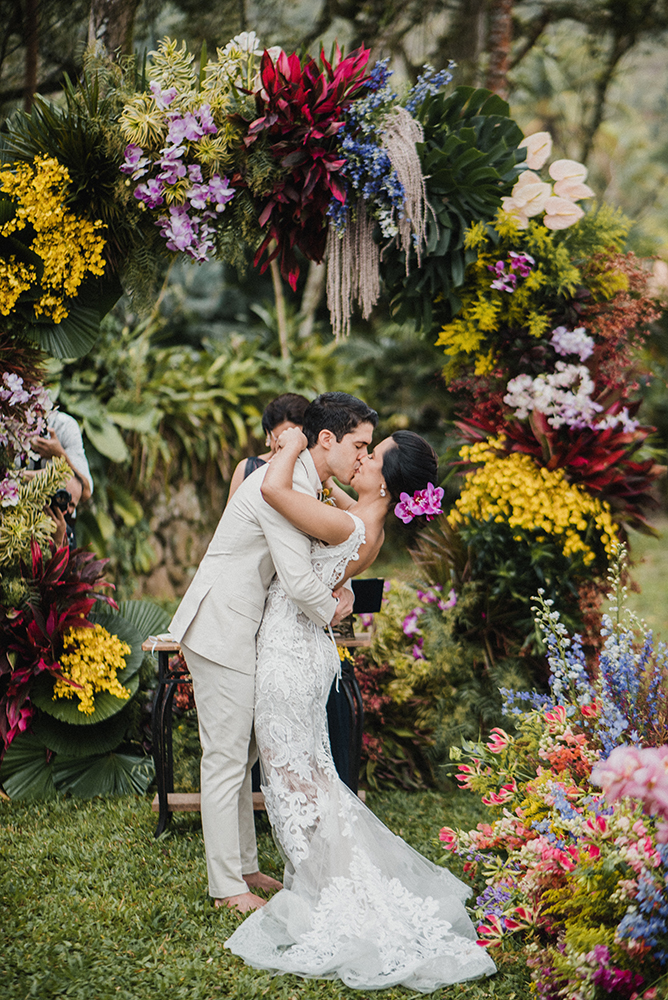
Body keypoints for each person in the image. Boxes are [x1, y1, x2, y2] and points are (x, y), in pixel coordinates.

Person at [225, 426, 496, 991]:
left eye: (372, 456)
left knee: (294, 779)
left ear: (385, 478)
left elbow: (276, 492)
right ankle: (329, 877)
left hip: (291, 656)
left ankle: (331, 887)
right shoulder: (368, 521)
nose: (362, 458)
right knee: (308, 778)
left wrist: (295, 444)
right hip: (305, 652)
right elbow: (337, 508)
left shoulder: (352, 524)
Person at [168, 392, 378, 914]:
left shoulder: (303, 482)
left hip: (241, 627)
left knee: (241, 754)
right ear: (325, 440)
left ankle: (244, 868)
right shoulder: (280, 488)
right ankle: (226, 888)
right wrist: (337, 610)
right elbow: (299, 580)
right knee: (225, 756)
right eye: (359, 445)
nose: (362, 456)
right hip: (222, 626)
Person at [227, 393, 309, 501]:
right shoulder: (248, 468)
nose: (288, 445)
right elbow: (231, 515)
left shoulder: (315, 470)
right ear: (268, 434)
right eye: (281, 439)